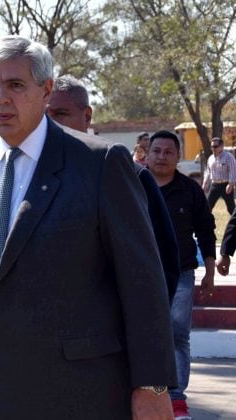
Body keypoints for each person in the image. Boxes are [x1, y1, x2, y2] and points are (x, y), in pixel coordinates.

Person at [0, 35, 176, 419]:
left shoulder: (100, 164)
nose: (1, 98)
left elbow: (142, 284)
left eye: (16, 85)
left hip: (71, 394)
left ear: (46, 90)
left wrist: (152, 385)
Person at [47, 75, 180, 302]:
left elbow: (162, 263)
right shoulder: (29, 175)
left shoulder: (127, 175)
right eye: (44, 116)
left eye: (61, 114)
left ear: (87, 116)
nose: (50, 124)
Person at [147, 130, 216, 420]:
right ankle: (145, 393)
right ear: (147, 153)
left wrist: (210, 271)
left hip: (182, 273)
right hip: (141, 274)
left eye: (168, 152)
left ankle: (176, 400)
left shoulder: (190, 189)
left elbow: (205, 229)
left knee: (177, 335)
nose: (162, 157)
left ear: (178, 157)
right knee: (140, 333)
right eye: (157, 151)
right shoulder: (133, 185)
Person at [202, 137, 236, 214]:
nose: (213, 149)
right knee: (208, 206)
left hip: (226, 184)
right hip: (215, 185)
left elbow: (233, 170)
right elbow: (208, 171)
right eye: (212, 147)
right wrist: (205, 183)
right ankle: (206, 225)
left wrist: (231, 184)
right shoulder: (210, 158)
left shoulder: (229, 157)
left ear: (222, 146)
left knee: (231, 209)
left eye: (215, 146)